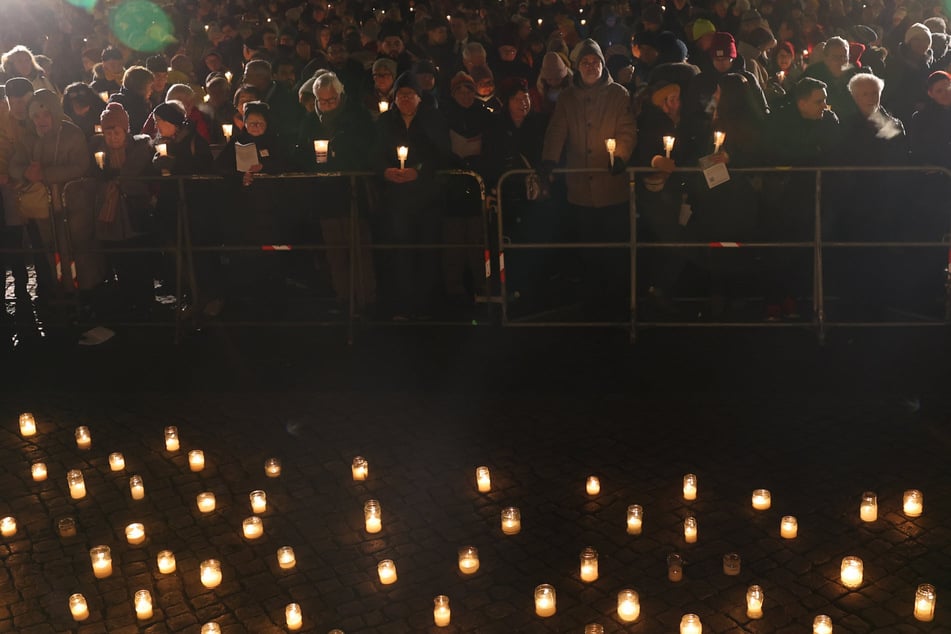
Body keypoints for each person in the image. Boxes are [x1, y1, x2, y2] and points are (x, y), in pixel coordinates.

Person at [541, 38, 636, 315]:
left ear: (602, 64)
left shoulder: (619, 94)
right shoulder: (568, 98)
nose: (591, 66)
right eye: (585, 62)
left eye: (595, 62)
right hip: (581, 189)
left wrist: (621, 155)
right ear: (578, 67)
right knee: (588, 248)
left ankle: (617, 299)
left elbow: (627, 130)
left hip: (611, 186)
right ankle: (593, 300)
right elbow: (557, 129)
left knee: (615, 247)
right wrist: (549, 159)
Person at [296, 72, 378, 315]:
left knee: (359, 249)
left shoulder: (358, 117)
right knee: (335, 251)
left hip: (352, 191)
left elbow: (366, 151)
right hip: (325, 195)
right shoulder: (311, 121)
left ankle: (366, 299)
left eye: (331, 100)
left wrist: (338, 154)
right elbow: (300, 154)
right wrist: (315, 161)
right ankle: (343, 298)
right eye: (322, 101)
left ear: (340, 96)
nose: (327, 106)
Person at [373, 72, 450, 320]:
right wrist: (385, 171)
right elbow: (373, 154)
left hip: (426, 198)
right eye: (401, 95)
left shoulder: (433, 120)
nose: (405, 100)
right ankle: (402, 304)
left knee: (427, 250)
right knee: (401, 251)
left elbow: (441, 155)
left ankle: (427, 305)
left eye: (410, 95)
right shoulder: (385, 122)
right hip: (396, 199)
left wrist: (419, 173)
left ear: (419, 98)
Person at [8, 89, 90, 303]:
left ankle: (80, 293)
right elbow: (15, 164)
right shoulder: (28, 138)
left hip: (71, 206)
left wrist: (46, 174)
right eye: (35, 116)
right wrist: (26, 172)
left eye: (45, 115)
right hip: (43, 208)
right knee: (49, 251)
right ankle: (59, 291)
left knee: (73, 250)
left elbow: (81, 165)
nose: (41, 120)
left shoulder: (72, 134)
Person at [86, 103, 159, 316]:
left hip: (135, 214)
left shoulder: (140, 147)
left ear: (125, 130)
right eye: (108, 133)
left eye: (116, 132)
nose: (112, 138)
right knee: (119, 261)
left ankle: (145, 302)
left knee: (139, 261)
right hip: (111, 218)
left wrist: (116, 178)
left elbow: (134, 174)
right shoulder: (97, 150)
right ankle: (127, 301)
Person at [107, 66, 155, 135]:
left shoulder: (142, 103)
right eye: (149, 86)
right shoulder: (135, 107)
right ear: (140, 87)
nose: (151, 90)